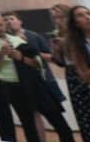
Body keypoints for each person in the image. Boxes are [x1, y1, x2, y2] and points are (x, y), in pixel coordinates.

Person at [0, 12, 53, 142]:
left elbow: (37, 63)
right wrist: (0, 54)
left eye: (0, 24)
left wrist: (21, 57)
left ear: (4, 24)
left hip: (31, 82)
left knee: (53, 115)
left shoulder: (17, 39)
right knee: (27, 121)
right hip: (10, 85)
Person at [51, 3, 90, 142]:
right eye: (81, 16)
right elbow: (85, 77)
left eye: (89, 14)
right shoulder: (78, 46)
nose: (87, 17)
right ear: (75, 24)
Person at [7, 11, 72, 142]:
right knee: (31, 121)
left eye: (12, 18)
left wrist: (31, 52)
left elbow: (53, 57)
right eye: (5, 20)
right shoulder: (5, 40)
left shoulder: (34, 36)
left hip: (43, 81)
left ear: (20, 21)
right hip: (21, 86)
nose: (8, 21)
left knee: (56, 117)